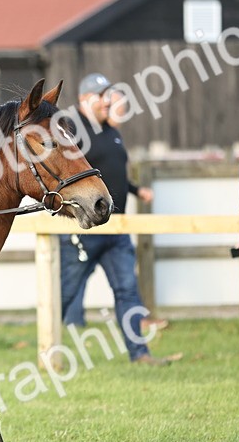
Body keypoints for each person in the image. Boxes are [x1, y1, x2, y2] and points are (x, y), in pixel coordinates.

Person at [59, 72, 169, 365]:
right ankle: (43, 347)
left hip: (117, 227)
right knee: (64, 294)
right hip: (84, 229)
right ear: (84, 99)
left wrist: (135, 190)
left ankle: (140, 353)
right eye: (101, 96)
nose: (108, 102)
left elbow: (113, 173)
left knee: (127, 290)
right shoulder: (73, 132)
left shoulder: (112, 131)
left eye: (109, 96)